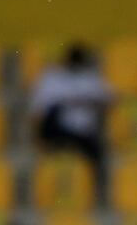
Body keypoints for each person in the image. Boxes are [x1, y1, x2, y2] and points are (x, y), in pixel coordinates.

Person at [30, 42, 114, 194]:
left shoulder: (90, 78)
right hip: (57, 129)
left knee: (98, 154)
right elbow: (39, 108)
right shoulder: (52, 77)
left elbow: (109, 98)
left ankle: (97, 190)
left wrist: (85, 101)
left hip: (84, 131)